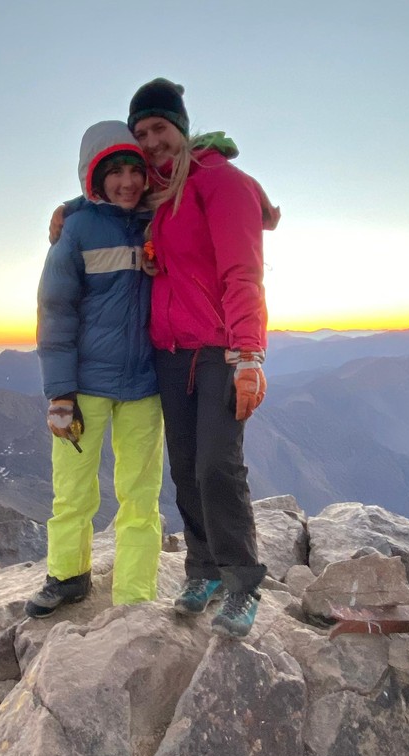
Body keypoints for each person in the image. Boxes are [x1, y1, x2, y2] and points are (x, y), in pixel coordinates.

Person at [128, 78, 280, 638]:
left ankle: (243, 583)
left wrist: (249, 355)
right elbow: (102, 193)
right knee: (187, 466)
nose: (150, 141)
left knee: (219, 465)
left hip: (220, 351)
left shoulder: (223, 184)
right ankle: (203, 569)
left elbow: (243, 272)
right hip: (170, 353)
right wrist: (65, 213)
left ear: (182, 129)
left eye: (159, 129)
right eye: (141, 133)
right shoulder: (156, 195)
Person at [26, 120, 163, 618]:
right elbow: (56, 310)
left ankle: (134, 594)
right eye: (115, 173)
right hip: (84, 387)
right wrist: (59, 393)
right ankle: (67, 575)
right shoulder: (78, 228)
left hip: (145, 385)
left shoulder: (158, 219)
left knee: (141, 496)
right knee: (74, 491)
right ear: (94, 178)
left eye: (135, 170)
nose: (127, 181)